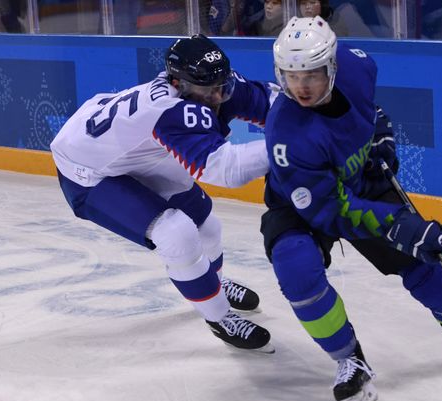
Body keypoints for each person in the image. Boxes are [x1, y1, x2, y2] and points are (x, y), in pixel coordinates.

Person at [262, 17, 442, 401]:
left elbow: (369, 109)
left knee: (421, 263)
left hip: (360, 179)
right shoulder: (287, 134)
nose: (301, 87)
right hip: (306, 202)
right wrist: (402, 227)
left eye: (312, 74)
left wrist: (380, 134)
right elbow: (334, 213)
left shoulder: (358, 66)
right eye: (292, 76)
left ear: (332, 65)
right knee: (296, 269)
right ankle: (349, 358)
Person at [50, 35, 276, 354]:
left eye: (221, 85)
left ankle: (212, 281)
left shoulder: (210, 84)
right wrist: (293, 146)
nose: (216, 96)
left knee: (207, 225)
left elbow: (272, 101)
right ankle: (220, 317)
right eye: (205, 90)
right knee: (176, 233)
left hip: (132, 152)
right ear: (176, 82)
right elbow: (225, 169)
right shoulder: (169, 109)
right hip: (86, 169)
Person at [297, 0, 372, 37]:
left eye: (312, 3)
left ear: (322, 5)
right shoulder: (295, 23)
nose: (307, 7)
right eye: (303, 3)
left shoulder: (335, 19)